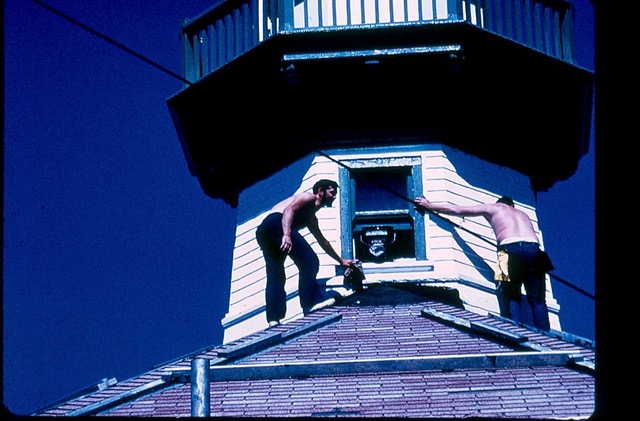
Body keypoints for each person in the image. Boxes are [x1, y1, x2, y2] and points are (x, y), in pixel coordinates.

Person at [413, 195, 552, 330]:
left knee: (510, 295)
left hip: (508, 250)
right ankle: (546, 335)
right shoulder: (523, 214)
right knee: (538, 299)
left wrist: (430, 206)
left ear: (500, 204)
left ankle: (514, 329)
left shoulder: (493, 208)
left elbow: (458, 210)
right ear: (512, 206)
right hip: (534, 251)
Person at [256, 179, 355, 326]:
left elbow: (323, 242)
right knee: (310, 261)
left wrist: (341, 261)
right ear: (320, 191)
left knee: (276, 273)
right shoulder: (308, 197)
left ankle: (273, 318)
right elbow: (288, 210)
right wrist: (287, 235)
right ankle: (310, 302)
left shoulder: (310, 218)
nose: (334, 197)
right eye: (332, 192)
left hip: (265, 231)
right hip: (276, 223)